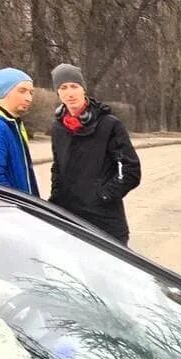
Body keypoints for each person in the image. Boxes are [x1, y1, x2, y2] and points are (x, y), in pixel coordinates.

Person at [48, 63, 141, 245]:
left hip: (106, 222)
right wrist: (55, 202)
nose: (69, 93)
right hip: (71, 221)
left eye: (74, 86)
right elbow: (58, 168)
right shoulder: (58, 128)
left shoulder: (109, 125)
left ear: (83, 89)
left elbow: (131, 170)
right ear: (58, 93)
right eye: (63, 88)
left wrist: (103, 196)